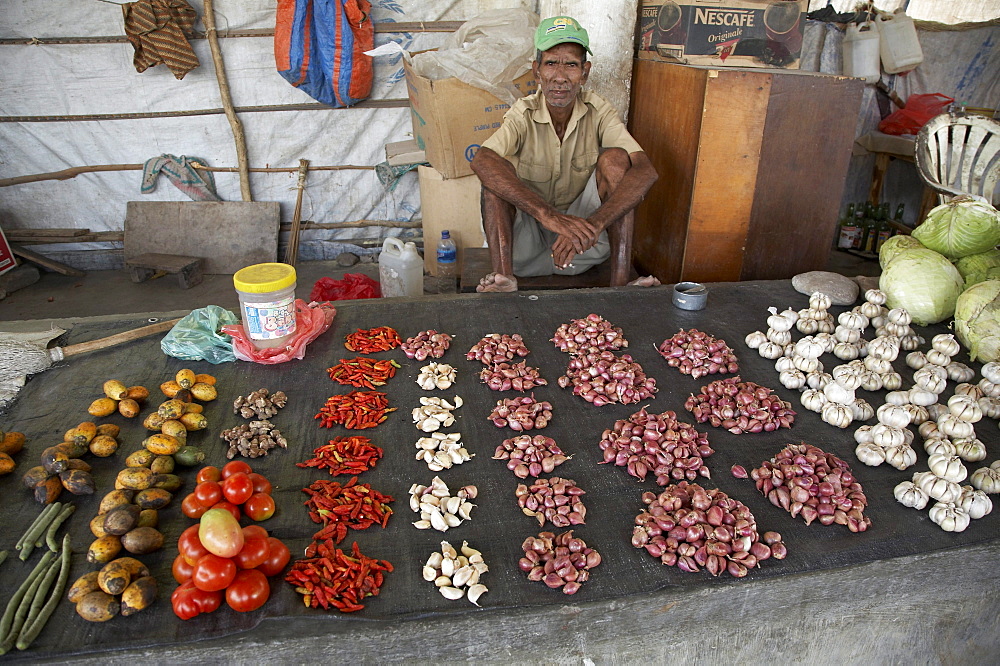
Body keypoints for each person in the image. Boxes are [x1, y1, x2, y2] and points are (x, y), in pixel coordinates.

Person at [472, 15, 659, 293]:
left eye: (571, 65)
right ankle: (504, 279)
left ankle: (620, 286)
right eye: (551, 64)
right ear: (536, 71)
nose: (560, 77)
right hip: (525, 252)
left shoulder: (599, 111)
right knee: (495, 176)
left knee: (617, 160)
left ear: (585, 72)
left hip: (583, 247)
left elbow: (646, 171)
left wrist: (593, 224)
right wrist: (550, 217)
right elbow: (482, 160)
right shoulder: (523, 114)